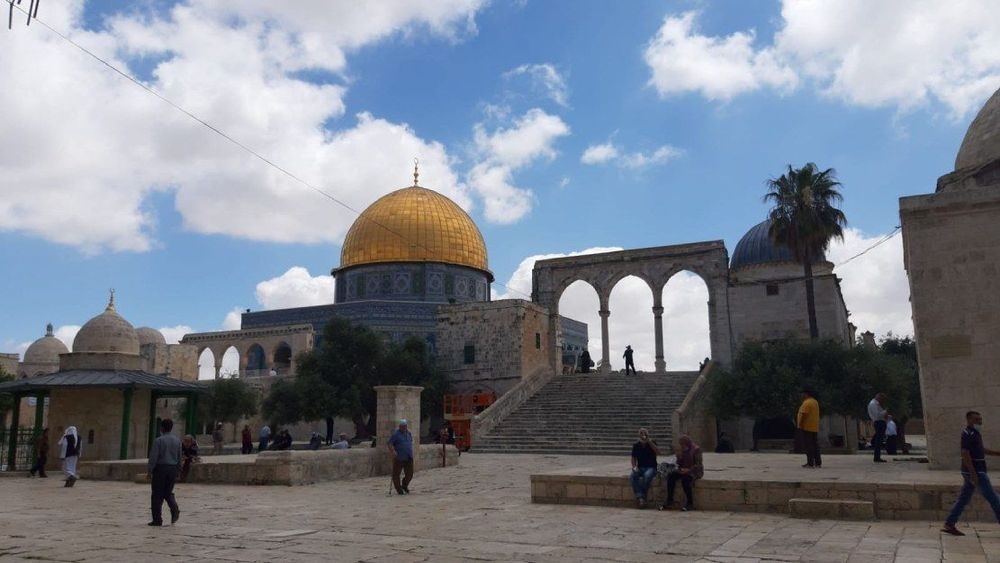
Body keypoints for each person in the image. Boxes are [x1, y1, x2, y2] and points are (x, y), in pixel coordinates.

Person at [941, 411, 1000, 536]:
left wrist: (996, 453)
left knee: (963, 499)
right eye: (976, 419)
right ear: (969, 420)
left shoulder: (975, 433)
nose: (980, 422)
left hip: (974, 471)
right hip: (976, 472)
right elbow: (965, 453)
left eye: (980, 419)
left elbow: (980, 450)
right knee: (994, 499)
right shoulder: (968, 434)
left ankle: (949, 524)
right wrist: (973, 473)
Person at [147, 418, 181, 527]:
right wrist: (178, 470)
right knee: (168, 491)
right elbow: (179, 457)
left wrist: (150, 470)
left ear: (161, 428)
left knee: (157, 494)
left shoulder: (159, 440)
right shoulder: (177, 441)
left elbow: (153, 457)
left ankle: (157, 520)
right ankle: (174, 508)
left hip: (161, 469)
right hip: (172, 468)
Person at [659, 435, 703, 511]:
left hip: (694, 471)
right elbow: (679, 463)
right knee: (671, 476)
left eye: (683, 444)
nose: (682, 446)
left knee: (685, 481)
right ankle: (669, 500)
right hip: (683, 470)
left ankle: (690, 503)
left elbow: (698, 464)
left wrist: (688, 470)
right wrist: (678, 460)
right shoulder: (682, 450)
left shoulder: (696, 450)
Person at [629, 428, 659, 508]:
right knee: (633, 476)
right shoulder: (636, 445)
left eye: (644, 433)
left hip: (651, 467)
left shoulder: (652, 443)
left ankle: (642, 497)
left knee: (647, 476)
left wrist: (649, 441)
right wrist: (634, 467)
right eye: (641, 433)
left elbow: (657, 452)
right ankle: (640, 497)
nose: (643, 435)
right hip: (640, 467)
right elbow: (633, 458)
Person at [388, 419, 414, 495]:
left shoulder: (409, 433)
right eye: (402, 426)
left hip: (408, 456)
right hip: (399, 457)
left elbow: (410, 443)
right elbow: (390, 443)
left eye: (405, 426)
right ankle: (398, 489)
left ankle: (404, 485)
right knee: (396, 474)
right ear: (400, 426)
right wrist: (393, 451)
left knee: (410, 473)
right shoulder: (396, 435)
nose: (404, 427)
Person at [797, 388, 821, 468]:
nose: (801, 395)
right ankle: (818, 463)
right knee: (815, 445)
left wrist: (800, 425)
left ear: (806, 394)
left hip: (806, 427)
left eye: (802, 394)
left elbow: (803, 415)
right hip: (814, 427)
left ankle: (810, 463)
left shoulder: (806, 403)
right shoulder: (815, 402)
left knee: (808, 446)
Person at [868, 393, 889, 463]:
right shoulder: (873, 404)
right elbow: (877, 415)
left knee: (879, 441)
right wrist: (885, 411)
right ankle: (876, 457)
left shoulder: (876, 404)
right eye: (882, 399)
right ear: (878, 397)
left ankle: (877, 457)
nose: (882, 401)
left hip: (880, 422)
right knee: (878, 441)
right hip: (879, 423)